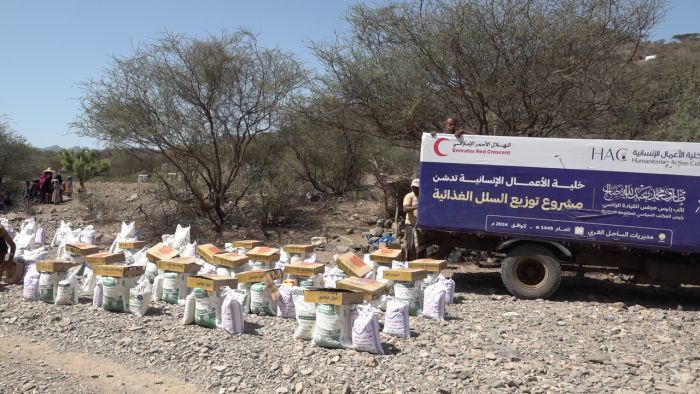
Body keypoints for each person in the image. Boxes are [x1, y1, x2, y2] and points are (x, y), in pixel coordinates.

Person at [403, 178, 420, 261]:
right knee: (411, 245)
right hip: (410, 224)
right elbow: (405, 209)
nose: (415, 189)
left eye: (417, 187)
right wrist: (415, 207)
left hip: (420, 225)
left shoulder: (422, 196)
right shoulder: (409, 196)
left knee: (418, 245)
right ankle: (409, 262)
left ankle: (417, 262)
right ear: (412, 188)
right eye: (414, 187)